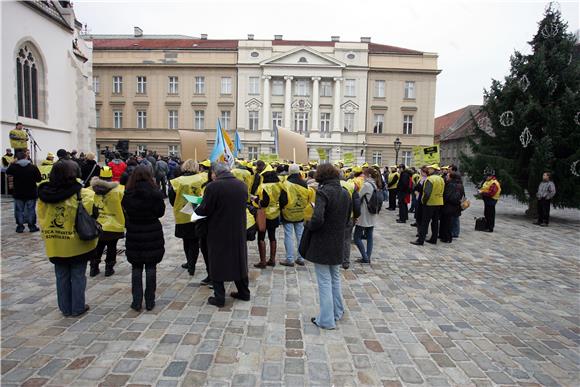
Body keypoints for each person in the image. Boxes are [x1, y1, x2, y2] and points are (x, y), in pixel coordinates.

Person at [37, 160, 97, 317]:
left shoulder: (44, 195)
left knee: (61, 276)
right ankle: (77, 307)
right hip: (77, 243)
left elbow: (41, 218)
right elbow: (93, 215)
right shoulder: (84, 194)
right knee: (78, 275)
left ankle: (65, 307)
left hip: (55, 242)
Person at [194, 162, 250, 307]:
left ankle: (219, 297)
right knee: (239, 260)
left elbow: (205, 209)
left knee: (217, 261)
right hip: (237, 229)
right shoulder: (241, 185)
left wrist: (195, 208)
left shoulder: (213, 187)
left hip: (218, 230)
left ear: (214, 173)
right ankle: (244, 292)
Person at [303, 164, 350, 330]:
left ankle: (327, 320)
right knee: (334, 278)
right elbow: (347, 219)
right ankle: (337, 312)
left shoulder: (323, 192)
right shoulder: (345, 192)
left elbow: (317, 220)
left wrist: (308, 224)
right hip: (337, 240)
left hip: (322, 242)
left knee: (324, 281)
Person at [122, 166, 165, 311]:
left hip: (134, 231)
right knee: (151, 267)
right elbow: (161, 212)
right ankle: (150, 300)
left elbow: (125, 211)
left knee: (136, 266)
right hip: (152, 231)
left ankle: (136, 300)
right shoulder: (155, 192)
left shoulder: (128, 193)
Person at [168, 159, 209, 279]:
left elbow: (171, 198)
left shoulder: (176, 181)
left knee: (186, 240)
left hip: (182, 213)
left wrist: (178, 205)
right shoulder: (203, 178)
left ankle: (190, 263)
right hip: (198, 213)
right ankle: (192, 264)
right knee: (195, 240)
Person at [89, 166, 125, 277]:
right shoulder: (119, 190)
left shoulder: (90, 190)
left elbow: (90, 208)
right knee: (112, 246)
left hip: (98, 223)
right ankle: (109, 268)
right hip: (114, 223)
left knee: (98, 246)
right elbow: (124, 207)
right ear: (111, 176)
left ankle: (94, 268)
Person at [279, 164, 309, 267]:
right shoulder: (304, 183)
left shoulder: (285, 184)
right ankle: (301, 258)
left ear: (289, 172)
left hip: (288, 212)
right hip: (301, 212)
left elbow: (282, 200)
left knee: (288, 235)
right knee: (300, 235)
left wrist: (282, 209)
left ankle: (290, 259)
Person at [6, 151, 42, 232]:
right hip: (31, 192)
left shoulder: (14, 167)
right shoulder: (33, 167)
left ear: (17, 158)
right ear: (26, 157)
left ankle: (20, 227)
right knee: (31, 210)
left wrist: (12, 163)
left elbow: (7, 172)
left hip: (18, 193)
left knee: (19, 210)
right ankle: (32, 226)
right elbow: (39, 179)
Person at [254, 168, 281, 268]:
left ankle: (263, 261)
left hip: (264, 214)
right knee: (272, 236)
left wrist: (256, 200)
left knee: (261, 237)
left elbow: (264, 203)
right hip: (275, 213)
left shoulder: (264, 187)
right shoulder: (279, 185)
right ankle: (272, 259)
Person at [411, 165, 444, 245]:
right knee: (435, 222)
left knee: (424, 222)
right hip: (438, 202)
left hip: (429, 203)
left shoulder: (430, 179)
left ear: (433, 169)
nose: (428, 170)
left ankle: (420, 240)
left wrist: (424, 202)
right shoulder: (441, 178)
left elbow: (427, 193)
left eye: (429, 168)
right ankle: (434, 239)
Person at [354, 167, 380, 263]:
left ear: (368, 175)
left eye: (364, 174)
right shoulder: (375, 184)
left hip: (364, 214)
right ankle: (368, 256)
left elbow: (358, 196)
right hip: (372, 214)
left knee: (356, 237)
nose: (363, 176)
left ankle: (365, 257)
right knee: (369, 236)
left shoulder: (367, 185)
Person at [340, 172, 361, 270]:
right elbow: (357, 204)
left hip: (335, 218)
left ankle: (335, 259)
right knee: (347, 239)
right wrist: (356, 216)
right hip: (349, 217)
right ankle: (345, 261)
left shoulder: (330, 185)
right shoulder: (351, 186)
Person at [439, 171, 464, 243]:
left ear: (451, 177)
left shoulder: (451, 185)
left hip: (448, 206)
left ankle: (446, 238)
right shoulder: (460, 184)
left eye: (448, 176)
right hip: (455, 206)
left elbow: (447, 196)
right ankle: (446, 237)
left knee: (446, 222)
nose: (446, 177)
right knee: (449, 222)